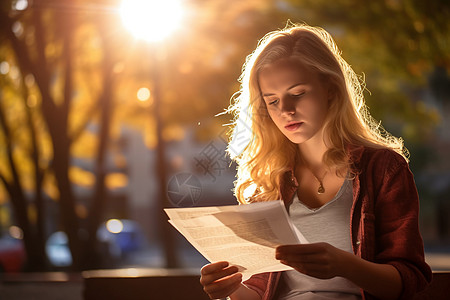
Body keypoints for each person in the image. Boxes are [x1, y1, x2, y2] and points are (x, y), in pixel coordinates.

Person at [199, 23, 432, 300]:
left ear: (331, 89)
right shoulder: (267, 182)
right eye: (272, 101)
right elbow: (260, 293)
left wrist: (344, 265)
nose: (285, 110)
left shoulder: (383, 168)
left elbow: (409, 279)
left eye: (297, 94)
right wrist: (231, 288)